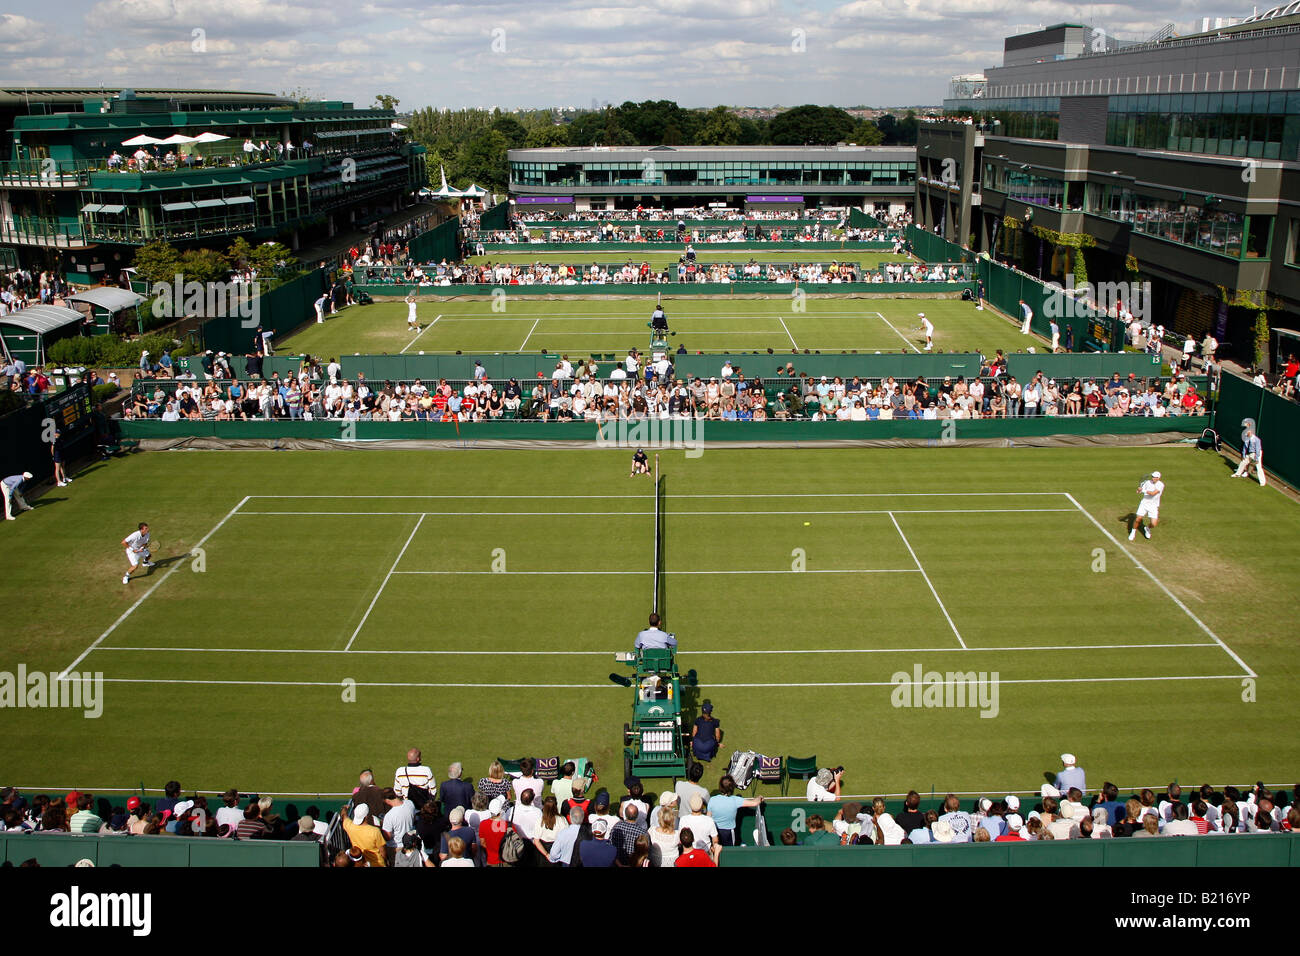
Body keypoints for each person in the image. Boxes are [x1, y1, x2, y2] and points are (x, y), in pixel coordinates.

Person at [1129, 470, 1164, 542]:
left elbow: (1153, 493)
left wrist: (1143, 490)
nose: (1153, 478)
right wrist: (1139, 490)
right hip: (1144, 504)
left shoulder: (1161, 485)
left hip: (1153, 506)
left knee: (1153, 524)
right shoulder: (1147, 482)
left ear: (1158, 478)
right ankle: (1133, 532)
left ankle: (1147, 528)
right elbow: (1138, 491)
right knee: (1138, 519)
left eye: (1155, 477)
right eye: (1153, 477)